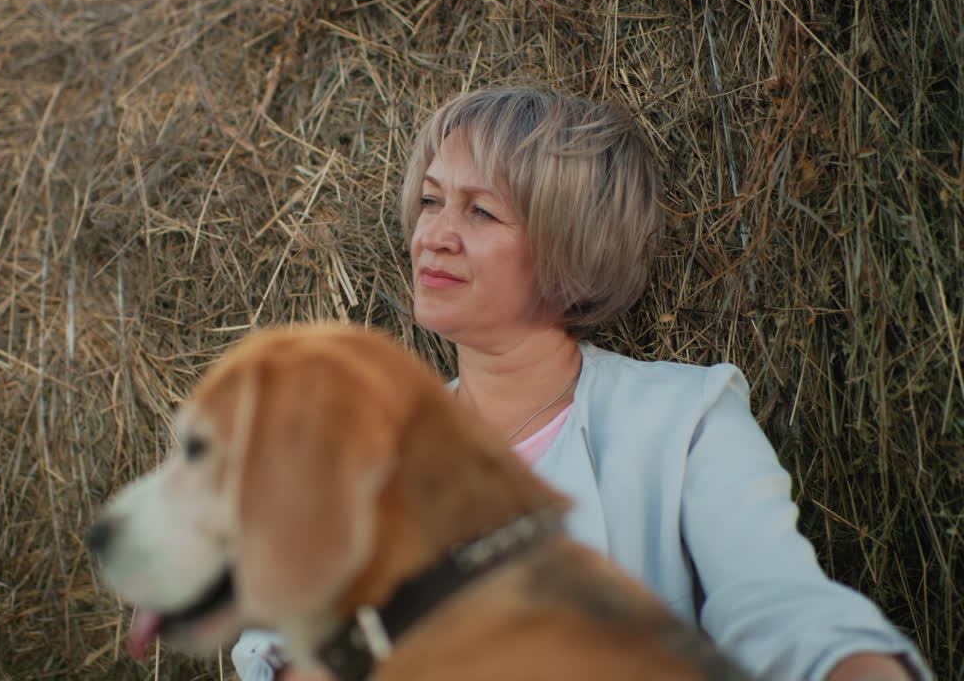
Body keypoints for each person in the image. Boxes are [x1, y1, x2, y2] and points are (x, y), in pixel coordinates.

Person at [230, 87, 930, 681]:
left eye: (481, 211)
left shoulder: (683, 422)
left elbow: (781, 607)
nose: (432, 235)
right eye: (433, 199)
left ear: (572, 248)